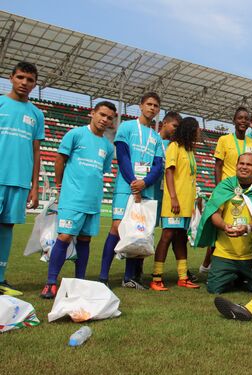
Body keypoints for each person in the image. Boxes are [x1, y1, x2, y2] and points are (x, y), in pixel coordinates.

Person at [40, 102, 116, 298]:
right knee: (64, 237)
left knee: (85, 240)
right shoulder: (75, 134)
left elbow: (101, 171)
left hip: (93, 201)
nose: (105, 119)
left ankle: (79, 282)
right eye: (102, 114)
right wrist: (59, 186)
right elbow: (59, 159)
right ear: (92, 113)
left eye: (109, 117)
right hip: (72, 198)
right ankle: (50, 283)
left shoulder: (108, 146)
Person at [98, 92, 164, 289]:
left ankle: (129, 278)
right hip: (126, 187)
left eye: (156, 106)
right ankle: (103, 277)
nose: (152, 108)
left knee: (139, 232)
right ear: (141, 105)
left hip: (146, 190)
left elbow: (158, 165)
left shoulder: (156, 137)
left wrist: (144, 183)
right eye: (149, 104)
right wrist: (134, 182)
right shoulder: (126, 127)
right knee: (117, 228)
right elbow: (123, 157)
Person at [193, 153, 252, 294]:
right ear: (236, 166)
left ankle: (239, 277)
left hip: (251, 255)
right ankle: (234, 276)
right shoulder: (225, 186)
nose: (244, 167)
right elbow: (214, 214)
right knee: (213, 289)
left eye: (248, 164)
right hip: (225, 253)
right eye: (241, 163)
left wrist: (247, 228)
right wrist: (224, 226)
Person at [0, 62, 45, 296]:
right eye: (20, 77)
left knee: (7, 226)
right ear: (11, 78)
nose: (24, 83)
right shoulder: (1, 103)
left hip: (18, 181)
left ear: (35, 84)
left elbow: (36, 151)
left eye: (29, 80)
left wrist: (35, 187)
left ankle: (0, 279)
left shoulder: (36, 114)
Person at [150, 117, 201, 291]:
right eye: (196, 129)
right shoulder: (174, 147)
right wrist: (173, 197)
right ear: (189, 130)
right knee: (167, 236)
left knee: (180, 238)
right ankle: (156, 278)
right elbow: (169, 173)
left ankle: (183, 277)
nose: (199, 132)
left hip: (186, 203)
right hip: (175, 202)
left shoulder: (189, 150)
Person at [214, 106, 252, 184]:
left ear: (249, 123)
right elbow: (218, 166)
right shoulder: (224, 140)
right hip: (227, 186)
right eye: (240, 118)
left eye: (246, 119)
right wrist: (218, 189)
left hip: (246, 187)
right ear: (234, 121)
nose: (243, 121)